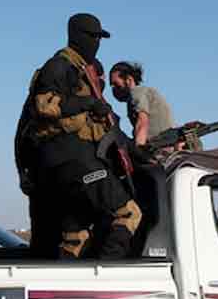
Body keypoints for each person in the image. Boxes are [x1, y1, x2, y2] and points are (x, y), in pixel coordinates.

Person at [18, 13, 141, 259]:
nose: (96, 43)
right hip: (71, 160)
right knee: (128, 213)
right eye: (93, 37)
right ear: (77, 36)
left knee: (76, 237)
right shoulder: (59, 66)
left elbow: (111, 133)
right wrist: (88, 103)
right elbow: (44, 105)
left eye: (99, 38)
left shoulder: (83, 74)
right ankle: (106, 272)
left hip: (74, 163)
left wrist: (141, 152)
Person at [109, 62, 179, 153]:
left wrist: (139, 152)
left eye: (116, 84)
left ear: (129, 80)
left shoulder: (137, 92)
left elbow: (142, 122)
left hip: (158, 149)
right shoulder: (146, 92)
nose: (114, 89)